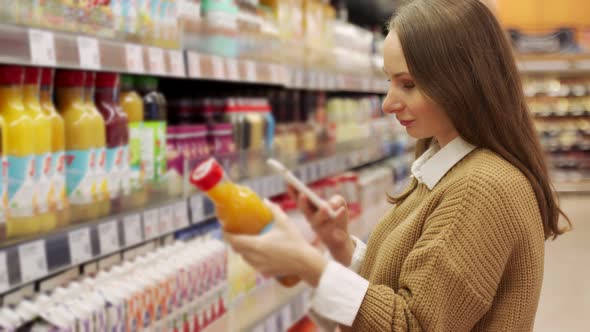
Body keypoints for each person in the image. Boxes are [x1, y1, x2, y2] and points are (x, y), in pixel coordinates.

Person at [225, 0, 571, 330]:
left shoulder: (481, 188)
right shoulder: (446, 170)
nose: (388, 103)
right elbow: (412, 289)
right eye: (389, 81)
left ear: (461, 83)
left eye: (408, 84)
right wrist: (342, 247)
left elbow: (412, 325)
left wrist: (308, 265)